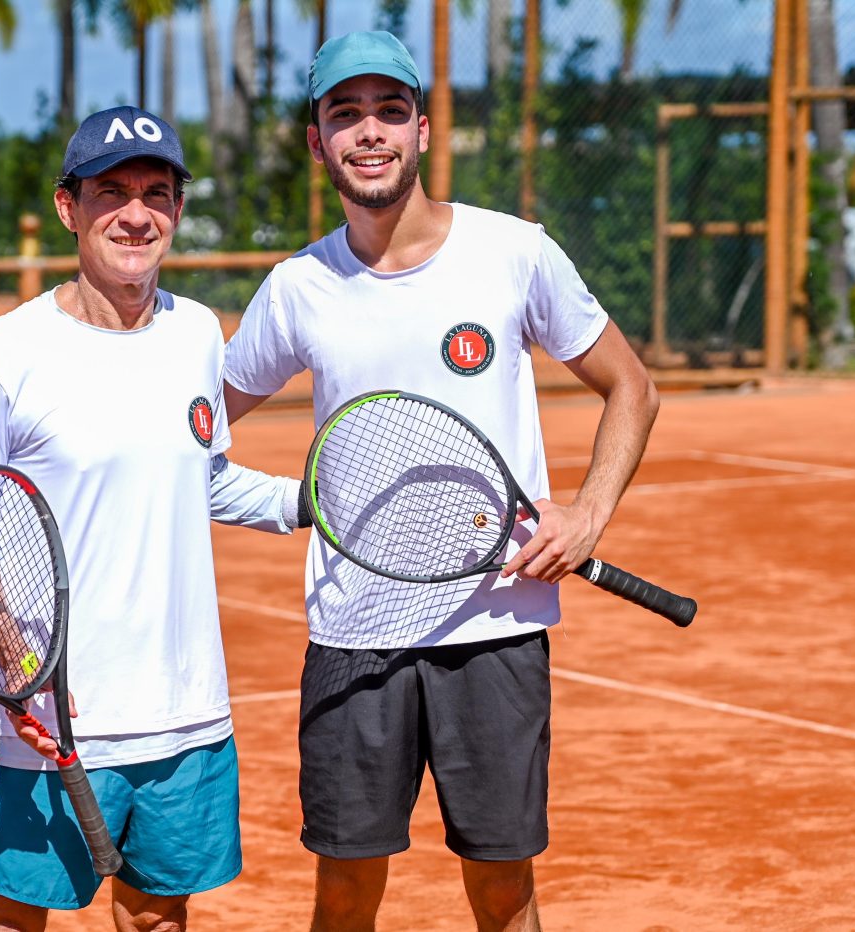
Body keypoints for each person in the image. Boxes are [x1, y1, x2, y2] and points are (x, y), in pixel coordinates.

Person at [222, 31, 661, 932]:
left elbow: (633, 385)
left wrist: (587, 513)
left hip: (495, 629)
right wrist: (274, 504)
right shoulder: (298, 286)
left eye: (389, 111)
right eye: (344, 115)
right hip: (353, 636)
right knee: (344, 891)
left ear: (423, 130)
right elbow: (192, 429)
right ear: (318, 142)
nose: (368, 133)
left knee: (503, 891)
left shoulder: (514, 252)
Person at [0, 106, 304, 932]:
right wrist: (15, 662)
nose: (137, 214)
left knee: (155, 917)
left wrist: (301, 501)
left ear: (176, 210)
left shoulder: (198, 335)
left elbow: (201, 478)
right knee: (11, 916)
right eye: (113, 192)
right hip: (50, 715)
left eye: (157, 192)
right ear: (70, 208)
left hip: (184, 707)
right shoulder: (4, 352)